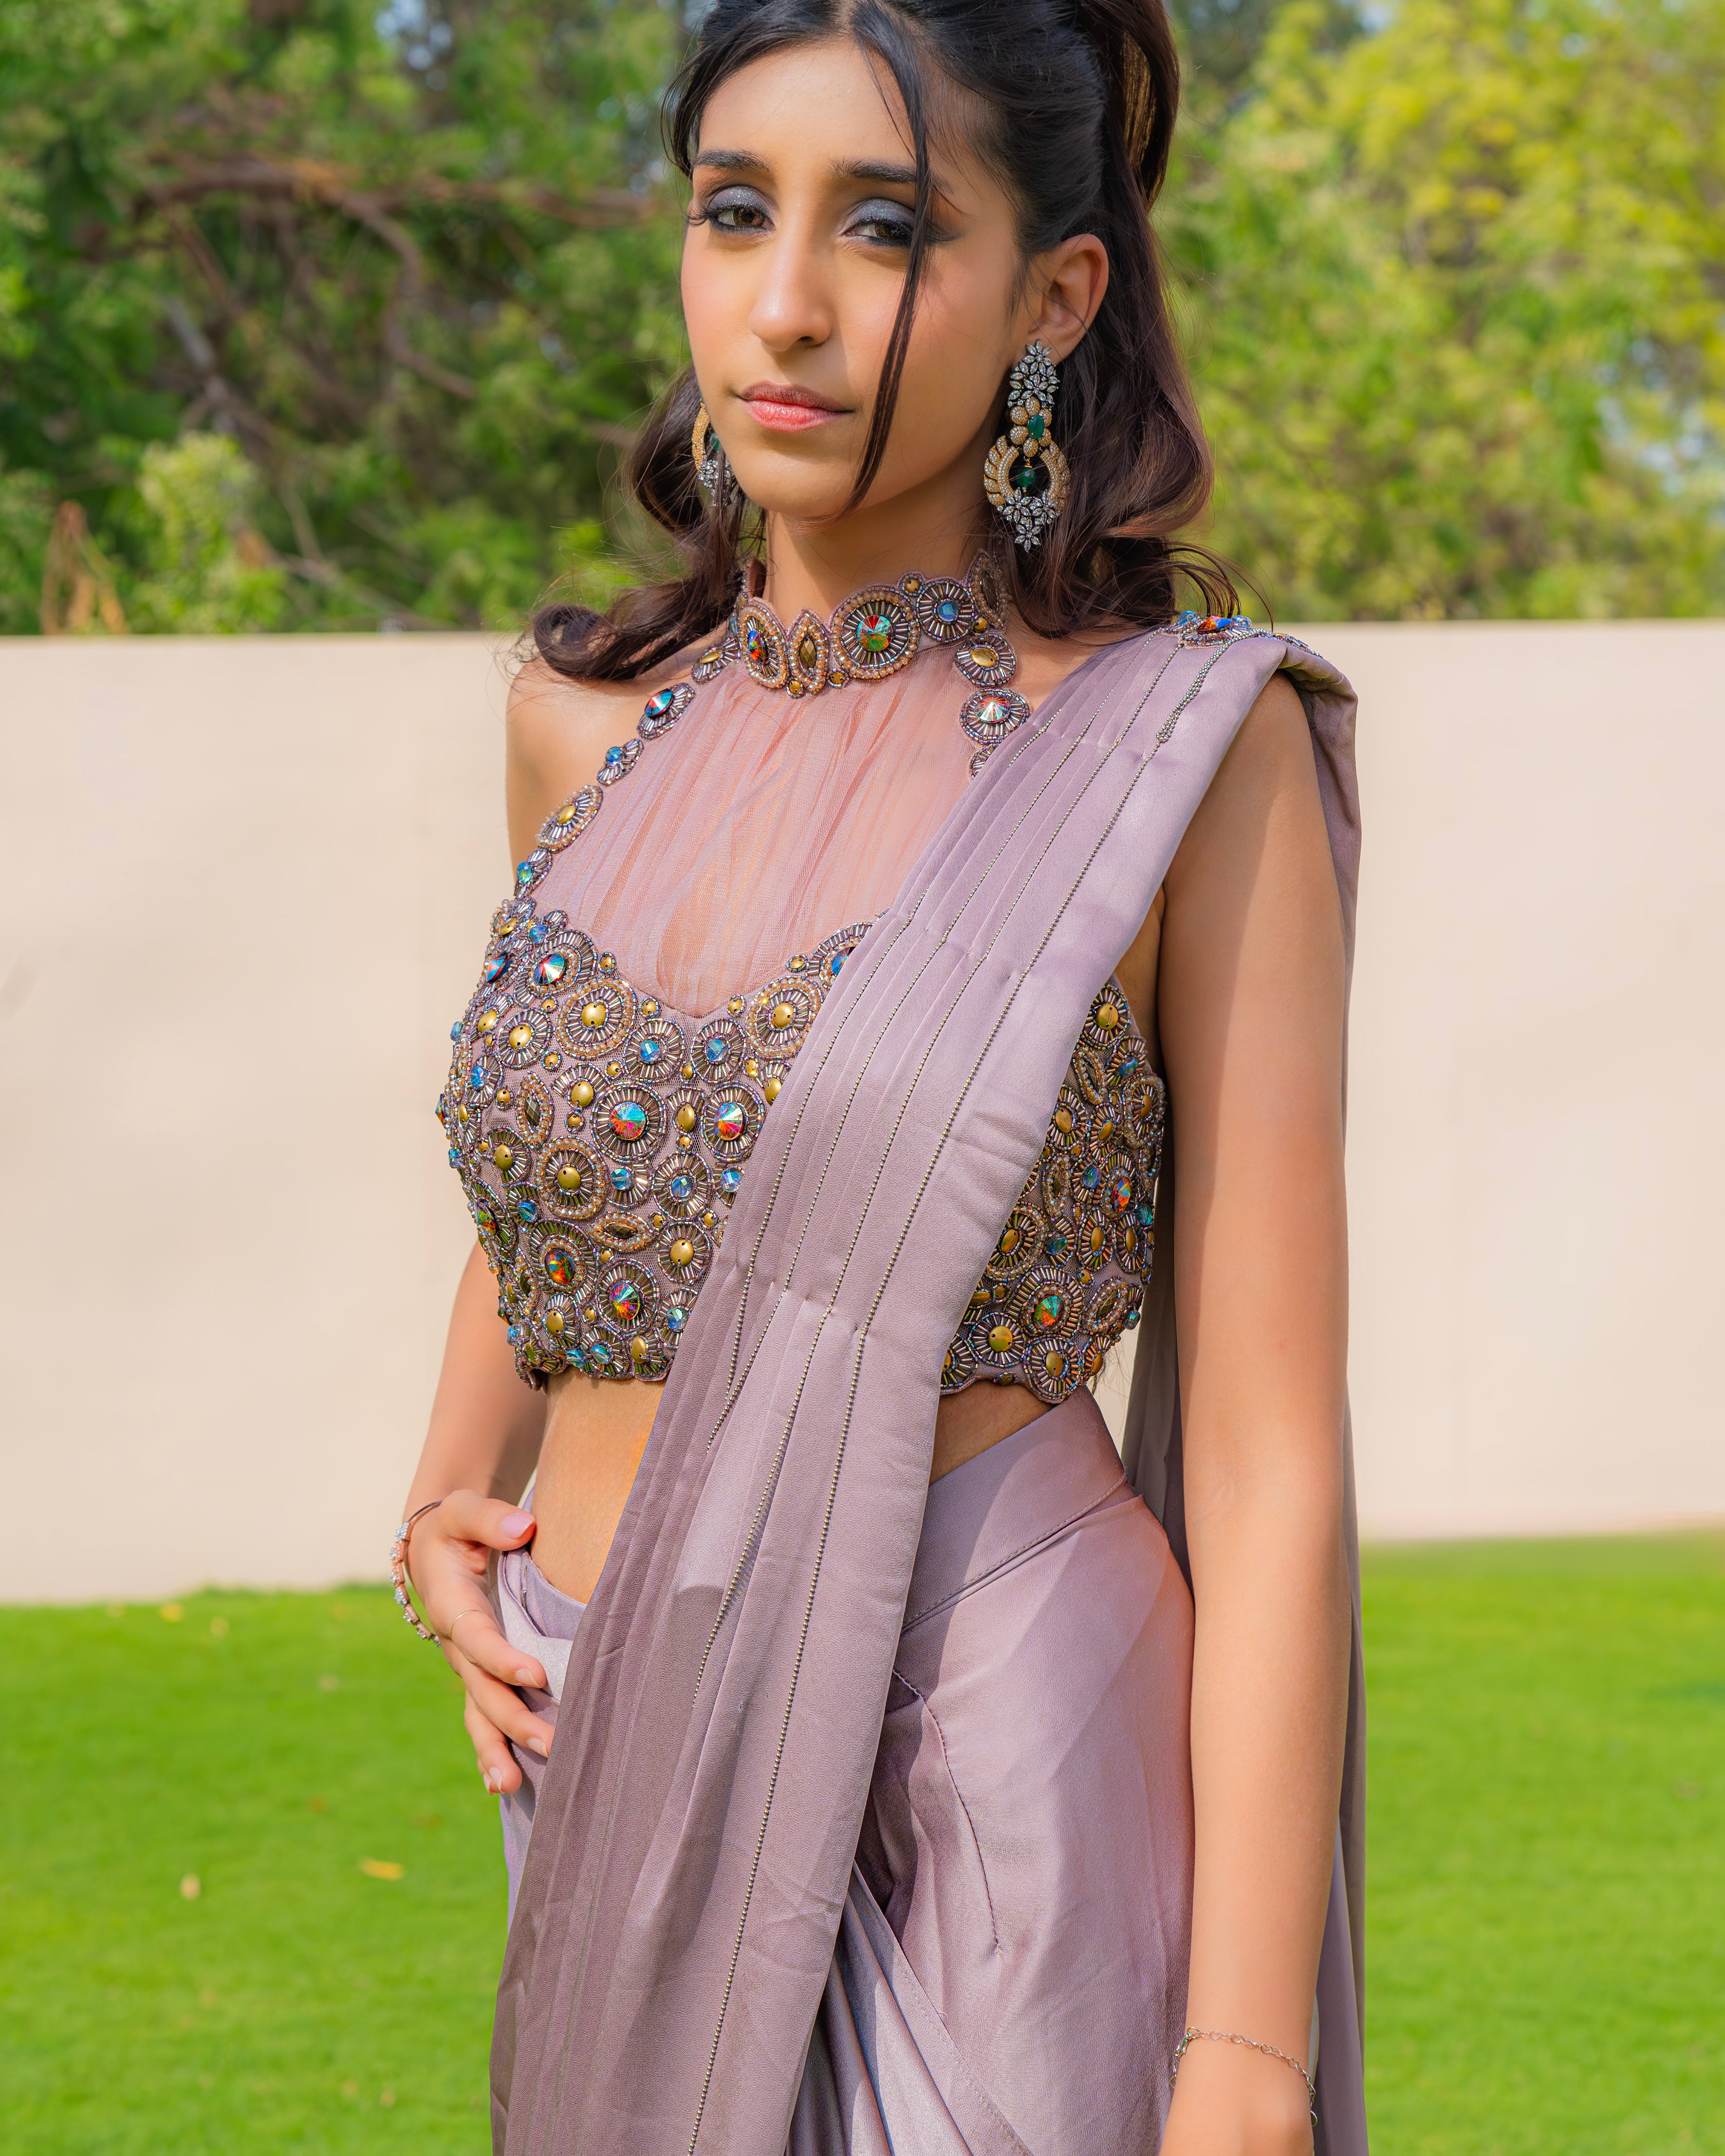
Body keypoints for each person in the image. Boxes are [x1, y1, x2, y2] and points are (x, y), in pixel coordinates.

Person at [394, 3, 1365, 2151]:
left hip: (985, 1740)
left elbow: (1274, 1459)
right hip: (606, 1730)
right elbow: (583, 1160)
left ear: (1055, 298)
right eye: (736, 213)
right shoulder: (590, 723)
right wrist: (440, 1503)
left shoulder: (1185, 759)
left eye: (886, 227)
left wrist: (1243, 2057)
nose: (787, 306)